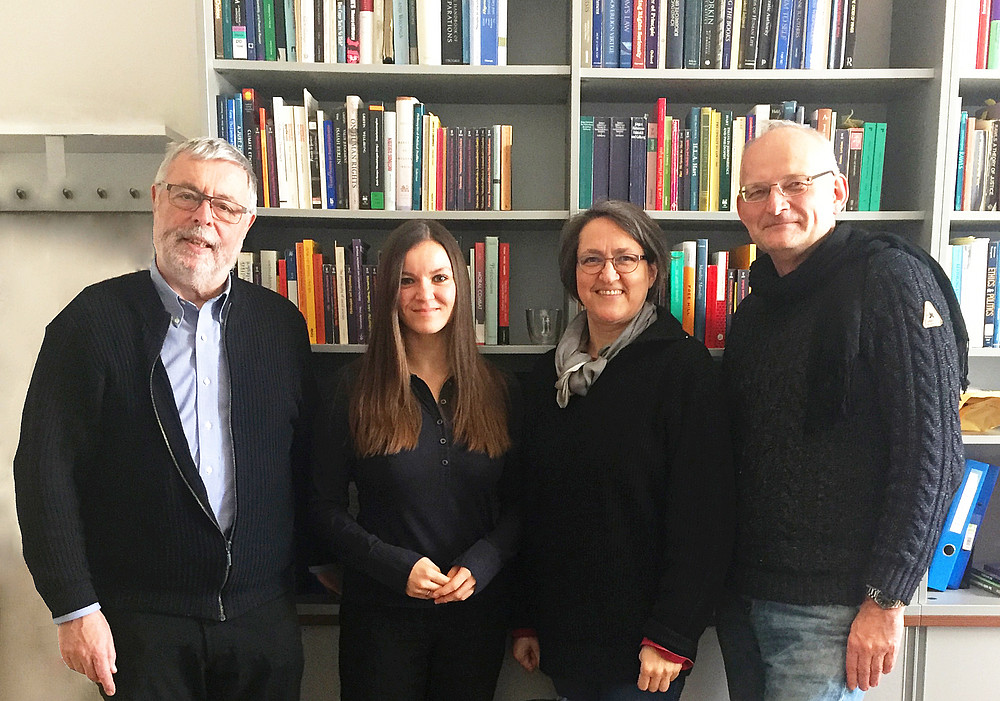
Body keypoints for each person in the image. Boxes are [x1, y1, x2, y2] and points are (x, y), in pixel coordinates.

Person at [13, 137, 316, 699]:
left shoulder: (281, 328)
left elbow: (304, 464)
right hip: (142, 626)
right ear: (156, 200)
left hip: (262, 621)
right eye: (187, 196)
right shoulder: (90, 323)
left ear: (245, 223)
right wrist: (74, 608)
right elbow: (43, 474)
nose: (203, 218)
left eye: (224, 206)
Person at [717, 121, 968, 701]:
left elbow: (933, 458)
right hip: (747, 595)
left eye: (795, 184)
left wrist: (886, 600)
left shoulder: (891, 281)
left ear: (838, 192)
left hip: (835, 611)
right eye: (757, 191)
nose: (776, 204)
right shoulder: (756, 310)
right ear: (739, 209)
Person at [511, 200, 735, 700]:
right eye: (591, 259)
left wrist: (672, 635)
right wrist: (525, 618)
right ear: (574, 274)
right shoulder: (546, 378)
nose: (607, 273)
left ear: (652, 270)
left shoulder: (683, 369)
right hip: (564, 635)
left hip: (646, 647)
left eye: (625, 258)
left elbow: (706, 516)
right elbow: (530, 506)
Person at [309, 220, 521, 701]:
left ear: (460, 286)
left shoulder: (501, 389)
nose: (424, 293)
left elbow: (522, 504)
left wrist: (485, 561)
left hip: (476, 619)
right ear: (388, 290)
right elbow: (322, 509)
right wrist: (391, 566)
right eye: (407, 280)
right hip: (379, 619)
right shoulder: (350, 389)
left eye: (439, 277)